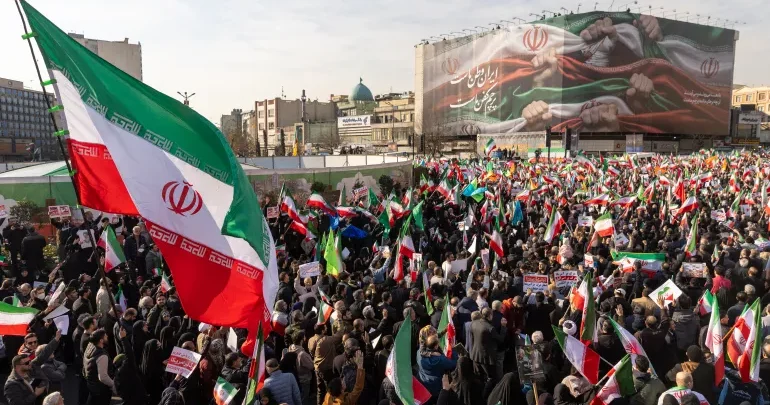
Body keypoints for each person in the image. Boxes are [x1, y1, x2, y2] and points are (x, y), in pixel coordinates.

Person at [470, 307, 507, 388]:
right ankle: (487, 394)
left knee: (479, 377)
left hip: (475, 355)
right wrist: (503, 327)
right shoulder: (490, 328)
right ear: (490, 315)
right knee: (491, 378)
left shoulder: (474, 323)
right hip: (486, 358)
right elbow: (500, 339)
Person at [84, 329, 115, 405]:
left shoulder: (90, 347)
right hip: (101, 391)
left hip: (92, 387)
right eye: (105, 336)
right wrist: (114, 385)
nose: (107, 336)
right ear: (101, 340)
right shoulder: (102, 356)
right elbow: (103, 377)